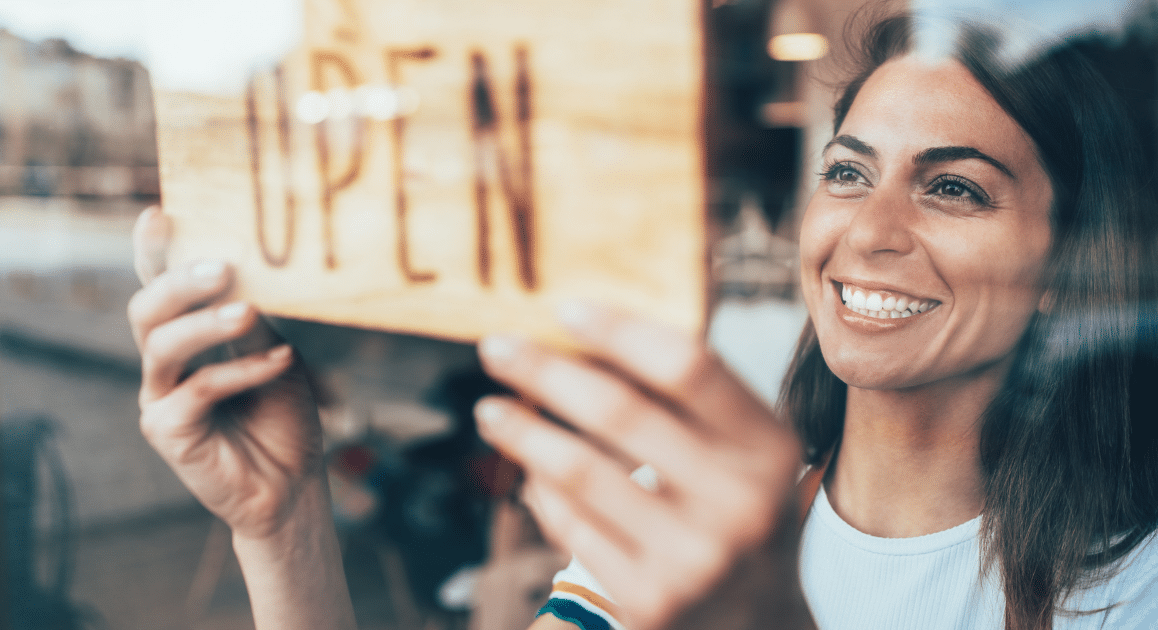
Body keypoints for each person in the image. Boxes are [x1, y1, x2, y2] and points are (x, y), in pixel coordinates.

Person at [126, 10, 1158, 630]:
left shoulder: (1130, 590)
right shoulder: (668, 521)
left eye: (955, 190)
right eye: (849, 173)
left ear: (1071, 256)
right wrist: (285, 523)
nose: (869, 232)